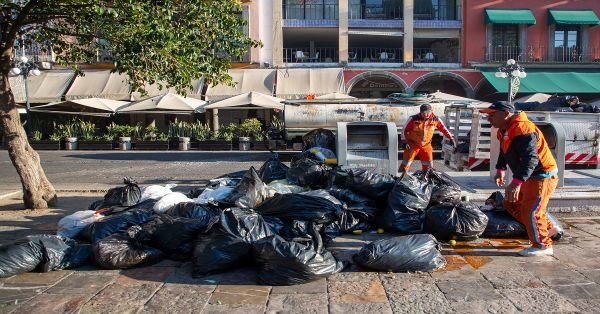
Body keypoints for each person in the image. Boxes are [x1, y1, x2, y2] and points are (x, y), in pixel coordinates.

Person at [481, 101, 559, 256]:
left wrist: (516, 183)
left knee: (532, 211)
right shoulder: (503, 130)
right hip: (528, 176)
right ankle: (549, 229)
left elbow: (531, 160)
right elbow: (505, 150)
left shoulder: (524, 130)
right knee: (511, 203)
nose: (488, 119)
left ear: (505, 114)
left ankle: (542, 245)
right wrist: (500, 169)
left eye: (491, 115)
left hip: (541, 176)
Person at [400, 104, 456, 172]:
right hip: (413, 144)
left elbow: (444, 129)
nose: (426, 115)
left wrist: (451, 138)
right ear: (420, 112)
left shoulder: (436, 119)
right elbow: (404, 130)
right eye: (423, 113)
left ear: (431, 111)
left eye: (427, 113)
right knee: (406, 162)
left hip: (426, 145)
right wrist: (405, 142)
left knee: (428, 166)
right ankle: (401, 176)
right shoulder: (413, 119)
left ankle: (426, 178)